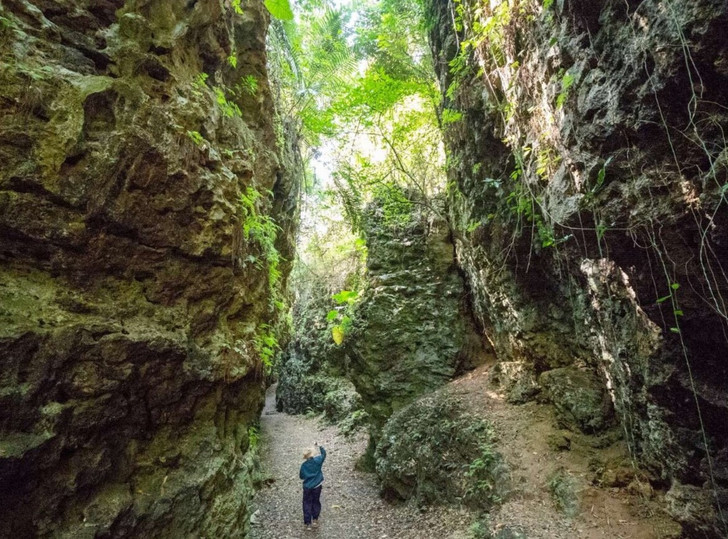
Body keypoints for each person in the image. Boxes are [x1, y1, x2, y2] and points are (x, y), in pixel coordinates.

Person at [299, 442, 326, 531]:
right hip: (317, 486)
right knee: (316, 501)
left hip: (307, 487)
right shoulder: (318, 461)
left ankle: (307, 523)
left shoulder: (303, 466)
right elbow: (324, 454)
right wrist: (320, 446)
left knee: (306, 503)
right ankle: (315, 519)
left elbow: (301, 476)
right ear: (312, 454)